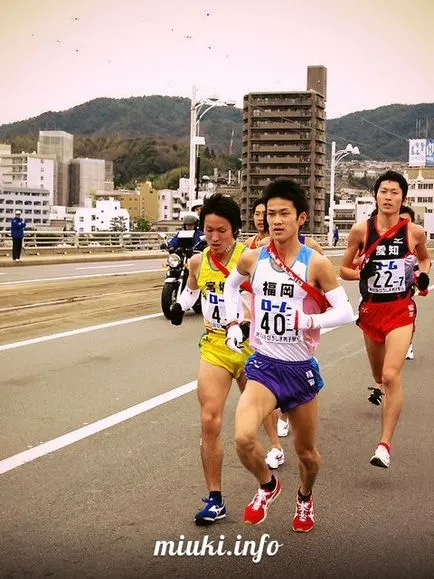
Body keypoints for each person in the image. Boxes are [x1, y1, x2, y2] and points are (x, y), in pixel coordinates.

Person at [223, 178, 354, 532]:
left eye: (284, 214)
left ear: (301, 218)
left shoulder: (317, 264)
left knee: (307, 455)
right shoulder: (253, 258)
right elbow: (230, 286)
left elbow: (347, 312)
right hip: (264, 366)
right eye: (271, 215)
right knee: (243, 439)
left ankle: (305, 497)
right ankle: (268, 486)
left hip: (299, 370)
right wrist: (234, 323)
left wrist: (306, 319)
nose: (276, 221)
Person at [168, 193, 253, 526]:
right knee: (209, 420)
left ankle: (270, 467)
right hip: (216, 345)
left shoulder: (251, 260)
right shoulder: (197, 261)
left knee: (259, 420)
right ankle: (215, 498)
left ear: (235, 230)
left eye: (222, 231)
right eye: (209, 230)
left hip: (252, 348)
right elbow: (192, 289)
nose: (214, 238)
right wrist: (180, 306)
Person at [340, 171, 430, 468]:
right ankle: (380, 389)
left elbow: (424, 257)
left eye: (394, 192)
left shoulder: (414, 231)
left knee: (392, 376)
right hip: (371, 311)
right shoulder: (360, 231)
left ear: (403, 198)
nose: (388, 197)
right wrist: (360, 273)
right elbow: (344, 269)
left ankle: (384, 445)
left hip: (400, 309)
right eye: (384, 191)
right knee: (379, 376)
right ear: (375, 196)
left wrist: (423, 274)